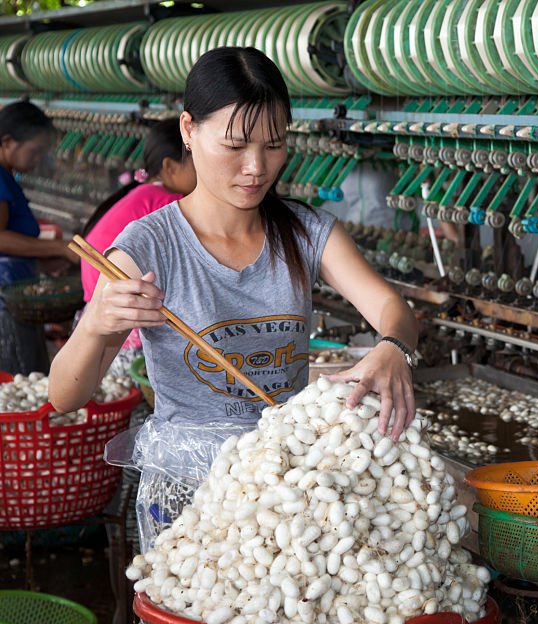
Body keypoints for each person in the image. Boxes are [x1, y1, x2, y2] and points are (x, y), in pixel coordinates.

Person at [49, 47, 419, 549]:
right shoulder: (149, 247)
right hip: (189, 498)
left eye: (274, 144)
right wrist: (95, 324)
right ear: (188, 130)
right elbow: (65, 397)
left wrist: (393, 347)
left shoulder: (307, 232)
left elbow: (392, 310)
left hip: (287, 487)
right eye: (235, 145)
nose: (255, 168)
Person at [76, 118, 197, 377]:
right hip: (126, 331)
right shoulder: (168, 204)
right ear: (169, 167)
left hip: (97, 317)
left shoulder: (142, 194)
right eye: (198, 165)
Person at [0, 101, 79, 374]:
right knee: (19, 373)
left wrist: (42, 259)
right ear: (8, 142)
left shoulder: (7, 177)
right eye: (34, 152)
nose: (37, 160)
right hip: (5, 301)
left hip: (15, 294)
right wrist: (59, 246)